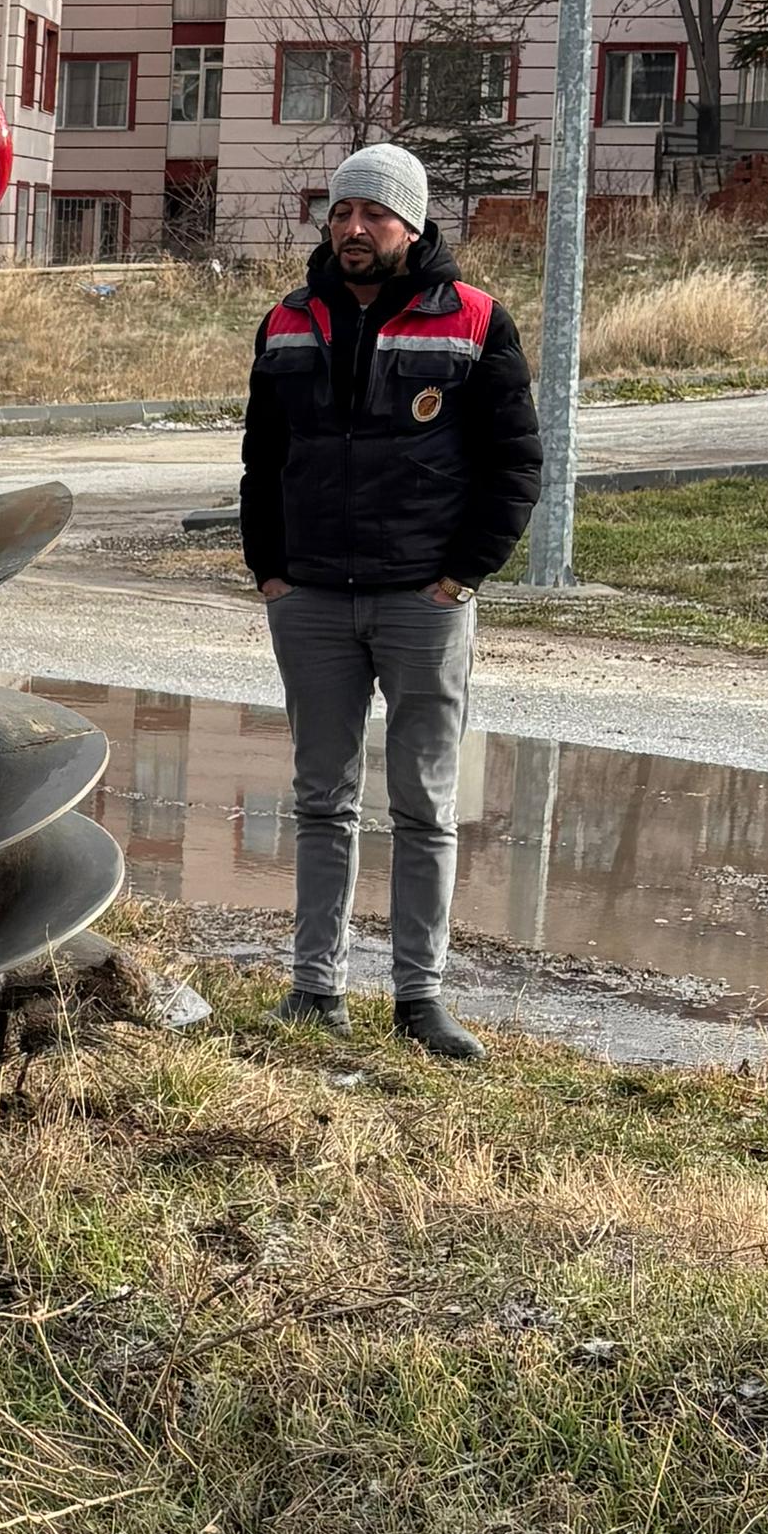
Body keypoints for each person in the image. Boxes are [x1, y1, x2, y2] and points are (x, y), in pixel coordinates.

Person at [240, 137, 542, 1067]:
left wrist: (462, 576)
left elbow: (517, 466)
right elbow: (260, 461)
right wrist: (271, 573)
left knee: (424, 803)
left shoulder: (478, 321)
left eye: (374, 213)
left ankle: (421, 999)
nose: (355, 228)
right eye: (342, 213)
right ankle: (316, 989)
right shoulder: (286, 321)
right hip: (314, 601)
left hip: (424, 600)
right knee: (321, 801)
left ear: (411, 223)